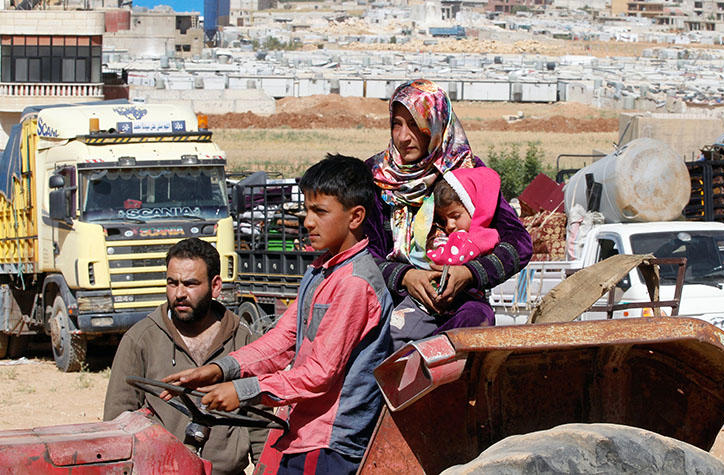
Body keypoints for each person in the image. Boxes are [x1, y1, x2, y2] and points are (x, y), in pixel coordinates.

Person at [161, 154, 393, 475]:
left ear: (355, 217)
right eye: (307, 210)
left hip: (331, 443)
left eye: (320, 212)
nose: (308, 221)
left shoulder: (355, 282)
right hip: (304, 434)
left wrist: (244, 391)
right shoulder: (320, 271)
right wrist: (219, 369)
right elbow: (282, 339)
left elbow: (319, 374)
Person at [364, 78, 532, 339]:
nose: (403, 137)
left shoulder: (468, 171)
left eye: (416, 125)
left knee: (473, 322)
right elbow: (362, 251)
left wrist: (469, 273)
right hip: (392, 299)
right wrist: (405, 276)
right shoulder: (375, 176)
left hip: (458, 302)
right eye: (397, 124)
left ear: (436, 124)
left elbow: (518, 243)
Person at [103, 237, 257, 475]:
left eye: (191, 284)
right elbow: (117, 422)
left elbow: (262, 423)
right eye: (172, 283)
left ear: (215, 286)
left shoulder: (244, 339)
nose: (179, 293)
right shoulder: (141, 339)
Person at [390, 167, 503, 349]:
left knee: (398, 333)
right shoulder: (463, 236)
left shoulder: (474, 240)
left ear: (473, 209)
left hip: (433, 304)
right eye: (444, 220)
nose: (450, 226)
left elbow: (442, 259)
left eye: (455, 216)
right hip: (426, 301)